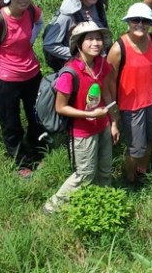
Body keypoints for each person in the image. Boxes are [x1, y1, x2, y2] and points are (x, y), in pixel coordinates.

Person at [43, 21, 120, 214]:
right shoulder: (70, 72)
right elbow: (60, 107)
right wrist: (88, 114)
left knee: (104, 169)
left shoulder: (101, 64)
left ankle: (104, 201)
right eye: (90, 39)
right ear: (79, 44)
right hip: (82, 132)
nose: (96, 43)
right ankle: (53, 206)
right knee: (84, 174)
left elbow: (107, 95)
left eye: (99, 38)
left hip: (102, 126)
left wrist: (113, 122)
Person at [0, 0, 46, 178]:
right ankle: (21, 162)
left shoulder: (32, 12)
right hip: (4, 80)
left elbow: (39, 23)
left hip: (32, 74)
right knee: (11, 122)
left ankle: (38, 151)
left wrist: (29, 41)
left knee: (37, 116)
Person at [106, 3, 152, 186]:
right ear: (128, 22)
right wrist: (113, 110)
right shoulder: (118, 48)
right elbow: (109, 82)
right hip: (130, 105)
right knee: (136, 148)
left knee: (151, 139)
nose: (140, 24)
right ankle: (130, 180)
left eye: (145, 20)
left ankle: (142, 172)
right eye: (135, 20)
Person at [43, 0, 110, 72]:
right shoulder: (67, 15)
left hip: (97, 65)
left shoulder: (98, 7)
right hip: (77, 69)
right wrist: (79, 54)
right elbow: (50, 44)